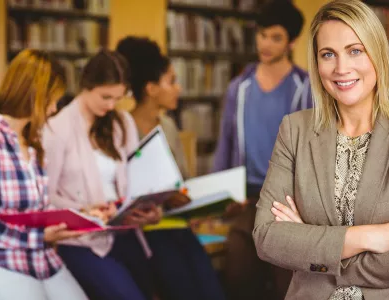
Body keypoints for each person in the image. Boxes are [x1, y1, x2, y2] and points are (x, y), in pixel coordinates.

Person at [254, 0, 389, 299]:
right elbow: (267, 237)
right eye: (328, 55)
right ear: (316, 62)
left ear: (377, 53)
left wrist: (319, 252)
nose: (341, 68)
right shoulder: (294, 130)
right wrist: (364, 237)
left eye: (355, 51)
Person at [0, 49, 88, 300]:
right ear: (33, 94)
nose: (53, 109)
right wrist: (40, 236)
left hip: (43, 261)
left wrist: (78, 218)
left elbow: (38, 209)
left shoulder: (32, 145)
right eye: (51, 100)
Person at [211, 0, 311, 299]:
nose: (265, 43)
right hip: (247, 201)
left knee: (288, 286)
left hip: (288, 203)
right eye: (262, 34)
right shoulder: (238, 88)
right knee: (238, 278)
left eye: (275, 37)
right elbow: (225, 146)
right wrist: (221, 195)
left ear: (291, 42)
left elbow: (312, 151)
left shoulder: (304, 89)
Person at [43, 50, 160, 300]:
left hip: (122, 230)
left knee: (161, 284)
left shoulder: (122, 122)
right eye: (105, 97)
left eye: (117, 98)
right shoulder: (58, 128)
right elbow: (46, 197)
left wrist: (145, 206)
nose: (110, 105)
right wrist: (87, 211)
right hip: (80, 240)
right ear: (86, 85)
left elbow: (136, 179)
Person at [116, 36, 226, 300]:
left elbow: (183, 182)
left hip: (176, 224)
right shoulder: (121, 129)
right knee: (182, 285)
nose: (178, 88)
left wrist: (193, 200)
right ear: (151, 88)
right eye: (171, 81)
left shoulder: (168, 127)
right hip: (145, 232)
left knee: (210, 288)